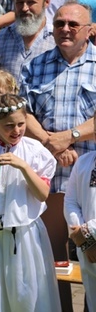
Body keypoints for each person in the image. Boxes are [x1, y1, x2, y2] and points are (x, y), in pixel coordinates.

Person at [20, 0, 96, 311]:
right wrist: (51, 142)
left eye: (73, 24)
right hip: (47, 177)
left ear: (89, 31)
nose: (64, 29)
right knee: (54, 260)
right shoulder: (36, 65)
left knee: (92, 252)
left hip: (89, 180)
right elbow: (22, 112)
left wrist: (70, 137)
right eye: (59, 24)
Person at [0, 94, 60, 312]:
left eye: (20, 124)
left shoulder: (35, 153)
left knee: (27, 293)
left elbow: (43, 194)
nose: (16, 131)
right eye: (9, 126)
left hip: (25, 235)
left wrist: (23, 167)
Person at [0, 0, 55, 80]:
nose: (24, 8)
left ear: (46, 2)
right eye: (19, 2)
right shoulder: (1, 39)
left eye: (31, 2)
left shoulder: (56, 39)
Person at [64, 116, 96, 311]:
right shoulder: (84, 162)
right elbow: (70, 201)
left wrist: (89, 233)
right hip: (89, 251)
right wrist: (85, 241)